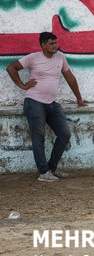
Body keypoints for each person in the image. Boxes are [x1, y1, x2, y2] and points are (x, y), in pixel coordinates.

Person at [6, 32, 87, 182]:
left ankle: (52, 169)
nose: (55, 46)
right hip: (34, 102)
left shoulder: (60, 57)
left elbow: (70, 77)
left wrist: (79, 99)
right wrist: (22, 86)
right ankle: (44, 173)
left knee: (64, 134)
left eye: (56, 43)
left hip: (51, 103)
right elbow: (11, 68)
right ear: (43, 45)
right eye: (51, 43)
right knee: (39, 137)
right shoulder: (33, 57)